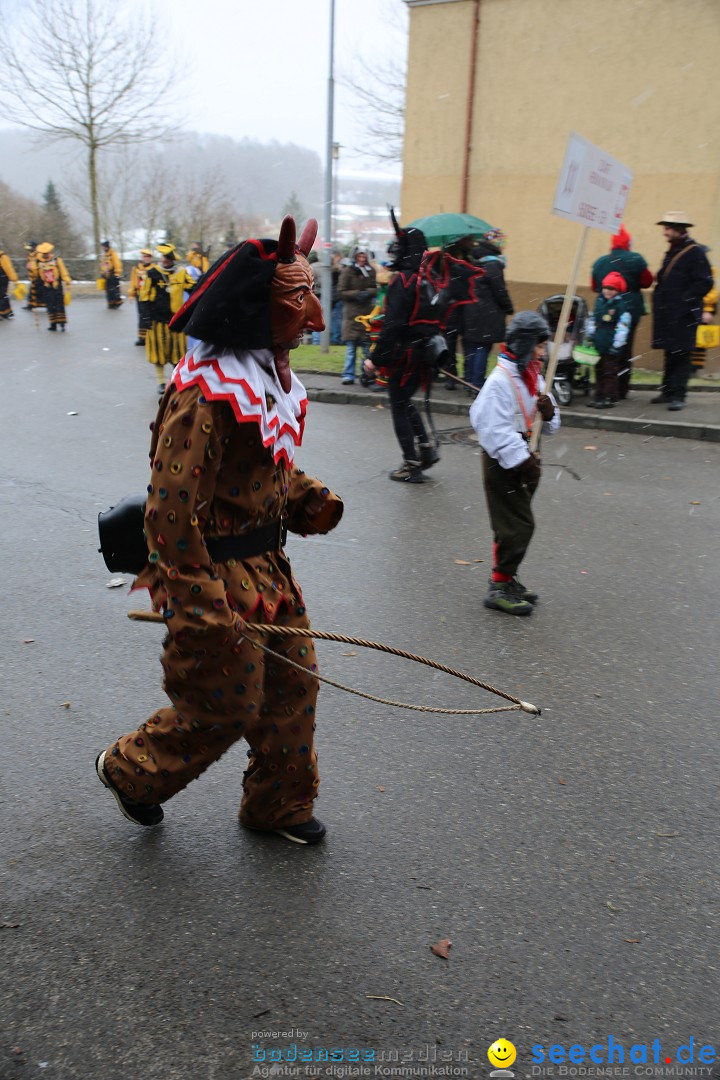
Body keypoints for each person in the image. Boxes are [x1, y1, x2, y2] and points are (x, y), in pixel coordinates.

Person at [95, 216, 343, 845]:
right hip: (209, 572)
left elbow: (259, 471)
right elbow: (170, 511)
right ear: (252, 309)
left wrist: (306, 497)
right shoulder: (205, 394)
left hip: (269, 572)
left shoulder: (265, 381)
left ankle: (277, 805)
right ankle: (131, 771)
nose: (315, 317)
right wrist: (200, 602)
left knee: (293, 684)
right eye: (296, 300)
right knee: (224, 704)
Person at [469, 311, 560, 616]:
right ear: (523, 343)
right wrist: (522, 460)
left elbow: (550, 425)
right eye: (538, 345)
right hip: (506, 461)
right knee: (518, 526)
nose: (542, 352)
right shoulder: (500, 381)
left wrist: (548, 412)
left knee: (509, 524)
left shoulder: (532, 375)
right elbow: (491, 428)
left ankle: (508, 578)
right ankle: (498, 586)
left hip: (526, 458)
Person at [651, 211, 714, 411]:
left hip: (684, 315)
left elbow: (705, 282)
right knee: (670, 353)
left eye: (668, 228)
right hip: (670, 314)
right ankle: (667, 391)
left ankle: (679, 395)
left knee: (682, 355)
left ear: (678, 229)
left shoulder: (694, 252)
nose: (664, 232)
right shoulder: (673, 250)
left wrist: (685, 300)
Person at [590, 225, 653, 399]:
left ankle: (603, 389)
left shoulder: (600, 262)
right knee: (624, 349)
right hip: (630, 311)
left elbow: (594, 286)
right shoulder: (636, 259)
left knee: (603, 351)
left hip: (604, 311)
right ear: (628, 243)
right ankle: (621, 388)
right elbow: (647, 281)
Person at [461, 229, 514, 393]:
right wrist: (508, 307)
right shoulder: (493, 264)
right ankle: (477, 385)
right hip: (487, 314)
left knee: (471, 348)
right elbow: (499, 290)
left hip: (470, 310)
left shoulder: (473, 260)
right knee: (482, 348)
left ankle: (469, 383)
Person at [141, 242, 196, 395]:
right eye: (163, 257)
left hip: (175, 320)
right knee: (158, 353)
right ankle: (160, 382)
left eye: (167, 257)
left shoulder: (181, 272)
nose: (164, 260)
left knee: (177, 354)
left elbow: (194, 288)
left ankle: (174, 380)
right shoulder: (152, 273)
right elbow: (144, 297)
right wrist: (145, 319)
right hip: (156, 321)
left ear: (172, 258)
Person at [585, 271, 633, 409]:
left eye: (612, 289)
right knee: (598, 370)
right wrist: (590, 335)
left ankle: (609, 396)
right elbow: (593, 319)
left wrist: (617, 343)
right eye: (606, 287)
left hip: (611, 343)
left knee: (609, 372)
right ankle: (598, 395)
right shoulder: (599, 302)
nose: (608, 291)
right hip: (599, 342)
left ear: (618, 290)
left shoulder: (620, 305)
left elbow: (623, 326)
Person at [338, 248, 377, 384]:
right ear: (355, 257)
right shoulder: (347, 271)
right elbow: (342, 291)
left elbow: (375, 287)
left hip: (367, 314)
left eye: (364, 256)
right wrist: (356, 294)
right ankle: (348, 375)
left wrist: (367, 292)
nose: (362, 259)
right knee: (351, 348)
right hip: (352, 314)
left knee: (366, 348)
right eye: (359, 256)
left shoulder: (371, 271)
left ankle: (365, 374)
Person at [35, 242, 71, 331]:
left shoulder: (57, 260)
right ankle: (53, 324)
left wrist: (67, 281)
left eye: (47, 253)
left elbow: (63, 271)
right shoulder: (38, 262)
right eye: (44, 254)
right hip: (46, 286)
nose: (46, 255)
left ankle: (62, 323)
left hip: (56, 285)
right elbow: (36, 274)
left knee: (59, 304)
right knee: (50, 306)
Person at [127, 249, 154, 346]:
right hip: (140, 296)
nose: (146, 258)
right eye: (144, 256)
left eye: (148, 257)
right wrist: (131, 294)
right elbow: (133, 281)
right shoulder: (136, 268)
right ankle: (142, 338)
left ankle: (151, 337)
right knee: (142, 317)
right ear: (142, 257)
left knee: (151, 317)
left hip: (151, 296)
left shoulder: (154, 268)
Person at [100, 240, 123, 309]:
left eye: (104, 246)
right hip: (107, 275)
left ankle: (117, 302)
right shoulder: (104, 255)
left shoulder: (112, 253)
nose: (103, 248)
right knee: (108, 290)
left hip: (113, 274)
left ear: (107, 246)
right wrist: (102, 273)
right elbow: (103, 265)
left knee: (114, 290)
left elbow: (117, 263)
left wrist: (117, 273)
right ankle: (111, 303)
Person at [0, 243, 20, 319]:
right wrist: (14, 279)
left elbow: (8, 269)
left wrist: (14, 279)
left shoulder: (2, 257)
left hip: (2, 278)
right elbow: (9, 268)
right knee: (3, 295)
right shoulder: (3, 256)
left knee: (2, 295)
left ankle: (4, 311)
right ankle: (6, 312)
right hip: (2, 277)